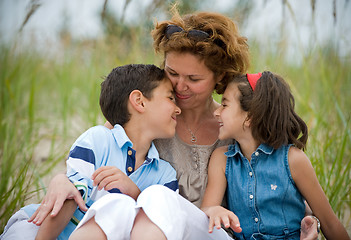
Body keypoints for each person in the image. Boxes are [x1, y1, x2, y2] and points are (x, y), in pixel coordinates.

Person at [9, 8, 319, 240]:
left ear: (219, 78)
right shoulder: (155, 118)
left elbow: (272, 182)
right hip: (143, 231)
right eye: (172, 73)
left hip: (201, 231)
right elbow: (98, 154)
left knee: (158, 198)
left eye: (194, 78)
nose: (180, 86)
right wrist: (59, 179)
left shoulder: (234, 127)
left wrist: (306, 221)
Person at [0, 64, 182, 240]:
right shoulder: (97, 140)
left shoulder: (165, 175)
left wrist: (134, 192)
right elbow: (70, 195)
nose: (178, 108)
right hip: (40, 227)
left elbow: (161, 222)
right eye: (170, 98)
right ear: (139, 101)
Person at [201, 72, 350, 240]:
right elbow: (206, 210)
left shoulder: (293, 160)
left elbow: (330, 223)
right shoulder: (222, 158)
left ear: (250, 116)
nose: (216, 112)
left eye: (225, 105)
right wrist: (214, 210)